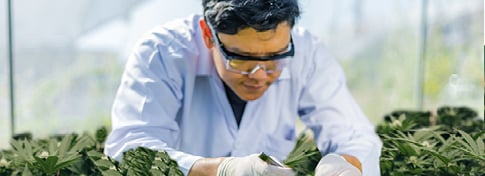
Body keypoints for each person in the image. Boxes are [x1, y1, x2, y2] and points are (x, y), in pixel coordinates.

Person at [104, 0, 382, 175]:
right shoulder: (163, 53)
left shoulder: (307, 53)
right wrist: (222, 170)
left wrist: (346, 164)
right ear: (207, 34)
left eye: (274, 58)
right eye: (241, 59)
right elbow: (130, 149)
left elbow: (354, 135)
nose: (259, 75)